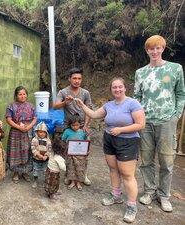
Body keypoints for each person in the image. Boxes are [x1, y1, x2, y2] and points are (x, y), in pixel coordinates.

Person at [76, 77, 145, 223]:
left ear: (125, 88)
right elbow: (94, 115)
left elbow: (140, 124)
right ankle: (116, 195)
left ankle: (132, 206)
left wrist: (121, 130)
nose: (117, 89)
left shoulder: (133, 103)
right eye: (114, 87)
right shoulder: (109, 105)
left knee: (127, 174)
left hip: (128, 141)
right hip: (109, 139)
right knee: (113, 169)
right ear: (111, 89)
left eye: (120, 87)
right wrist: (81, 105)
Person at [134, 35, 185, 212]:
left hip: (166, 121)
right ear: (147, 51)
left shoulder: (175, 69)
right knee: (146, 160)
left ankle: (164, 195)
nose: (154, 51)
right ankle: (149, 191)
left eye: (158, 48)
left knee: (166, 161)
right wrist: (138, 117)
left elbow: (181, 94)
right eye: (151, 49)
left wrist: (176, 115)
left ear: (163, 49)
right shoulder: (140, 72)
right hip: (145, 123)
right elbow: (137, 97)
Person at [52, 67, 92, 185]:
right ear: (69, 79)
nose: (77, 81)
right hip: (68, 128)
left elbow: (88, 110)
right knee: (68, 152)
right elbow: (55, 106)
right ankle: (69, 175)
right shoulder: (63, 92)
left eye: (79, 78)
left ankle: (83, 175)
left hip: (82, 128)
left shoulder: (85, 93)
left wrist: (85, 125)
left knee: (83, 152)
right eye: (74, 78)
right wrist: (65, 103)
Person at [6, 86, 37, 184]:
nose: (22, 96)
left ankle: (25, 172)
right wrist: (18, 127)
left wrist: (29, 127)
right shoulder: (11, 106)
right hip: (16, 132)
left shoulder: (31, 106)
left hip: (28, 132)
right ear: (16, 96)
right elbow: (9, 119)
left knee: (27, 151)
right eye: (20, 94)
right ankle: (16, 172)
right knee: (15, 152)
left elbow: (35, 118)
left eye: (24, 94)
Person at [62, 115, 88, 191]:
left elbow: (86, 142)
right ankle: (72, 182)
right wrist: (65, 148)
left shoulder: (83, 132)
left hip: (80, 155)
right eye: (73, 125)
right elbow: (63, 140)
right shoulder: (67, 131)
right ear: (70, 125)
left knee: (80, 168)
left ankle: (78, 182)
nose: (75, 127)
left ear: (80, 124)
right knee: (71, 168)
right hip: (70, 154)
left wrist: (87, 137)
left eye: (77, 125)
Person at [31, 121, 52, 188]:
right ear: (37, 132)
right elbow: (33, 148)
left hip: (45, 160)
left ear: (46, 133)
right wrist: (39, 155)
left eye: (43, 132)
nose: (42, 134)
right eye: (40, 132)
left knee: (45, 171)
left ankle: (44, 181)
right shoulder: (34, 140)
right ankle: (35, 181)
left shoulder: (48, 141)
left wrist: (46, 155)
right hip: (36, 159)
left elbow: (49, 149)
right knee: (35, 170)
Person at [45, 136, 66, 200]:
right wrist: (67, 167)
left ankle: (54, 191)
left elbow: (47, 154)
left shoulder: (52, 153)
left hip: (49, 171)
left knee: (49, 182)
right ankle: (52, 194)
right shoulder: (59, 158)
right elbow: (63, 167)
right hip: (54, 173)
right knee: (53, 183)